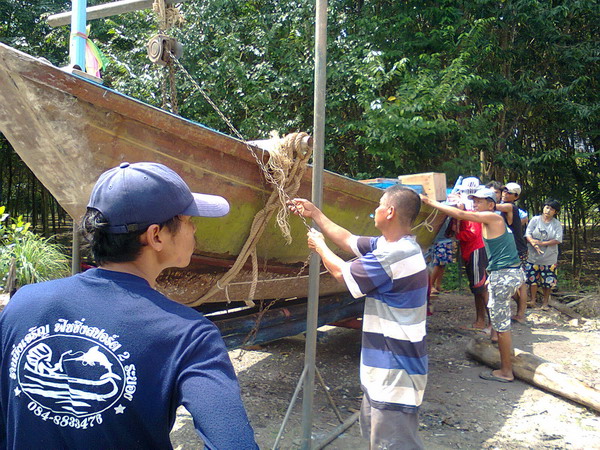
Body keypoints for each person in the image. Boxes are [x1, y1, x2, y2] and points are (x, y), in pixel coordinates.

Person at [0, 162, 258, 449]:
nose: (195, 227)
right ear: (156, 236)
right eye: (187, 219)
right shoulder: (188, 335)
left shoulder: (23, 304)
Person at [289, 185, 428, 449]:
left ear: (389, 212)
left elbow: (343, 274)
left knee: (392, 444)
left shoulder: (394, 254)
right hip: (384, 371)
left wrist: (319, 246)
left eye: (378, 205)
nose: (373, 211)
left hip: (395, 373)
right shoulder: (396, 245)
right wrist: (315, 214)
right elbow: (348, 239)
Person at [421, 187, 525, 383]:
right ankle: (500, 350)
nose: (475, 204)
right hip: (507, 274)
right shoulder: (494, 221)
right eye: (474, 201)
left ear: (491, 204)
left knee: (503, 327)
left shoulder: (493, 218)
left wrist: (429, 202)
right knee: (500, 322)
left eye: (479, 201)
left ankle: (506, 371)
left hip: (503, 276)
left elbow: (460, 214)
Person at [446, 177, 489, 330]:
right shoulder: (465, 213)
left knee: (481, 288)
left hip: (475, 250)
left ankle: (492, 324)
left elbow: (471, 233)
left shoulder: (472, 215)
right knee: (477, 289)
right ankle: (480, 321)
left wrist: (457, 235)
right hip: (470, 252)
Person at [495, 182, 528, 323]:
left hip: (516, 249)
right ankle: (520, 312)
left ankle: (521, 313)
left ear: (516, 196)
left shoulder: (509, 206)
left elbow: (491, 206)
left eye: (509, 193)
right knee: (515, 282)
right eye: (504, 191)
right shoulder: (507, 207)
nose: (504, 194)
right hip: (511, 248)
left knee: (519, 282)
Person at [525, 199, 563, 310]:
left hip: (549, 258)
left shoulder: (556, 224)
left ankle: (545, 303)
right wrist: (533, 243)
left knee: (548, 282)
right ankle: (532, 300)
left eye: (551, 209)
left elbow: (558, 239)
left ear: (555, 212)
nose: (548, 210)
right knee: (532, 280)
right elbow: (528, 233)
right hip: (532, 257)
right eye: (547, 207)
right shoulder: (535, 220)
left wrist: (542, 243)